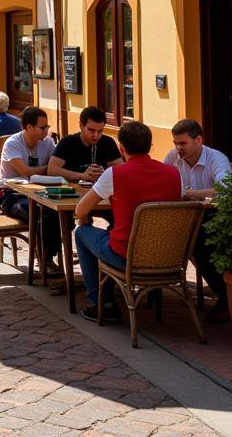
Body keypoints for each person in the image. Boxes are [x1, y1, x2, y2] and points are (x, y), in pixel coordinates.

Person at [74, 120, 181, 323]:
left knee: (81, 233)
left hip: (126, 256)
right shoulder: (174, 173)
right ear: (150, 146)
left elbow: (80, 210)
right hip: (169, 255)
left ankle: (101, 303)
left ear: (121, 148)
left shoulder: (114, 174)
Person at [164, 118, 232, 323]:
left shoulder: (216, 159)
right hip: (183, 216)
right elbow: (160, 177)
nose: (178, 148)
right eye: (175, 143)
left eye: (182, 143)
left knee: (200, 245)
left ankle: (226, 300)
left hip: (214, 218)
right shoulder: (173, 156)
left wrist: (188, 194)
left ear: (199, 140)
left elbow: (224, 190)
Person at [0, 106, 62, 269]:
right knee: (39, 214)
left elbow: (56, 165)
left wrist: (51, 169)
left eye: (47, 126)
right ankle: (45, 258)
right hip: (12, 195)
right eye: (43, 127)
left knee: (59, 213)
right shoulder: (12, 143)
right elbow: (25, 171)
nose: (46, 130)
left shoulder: (47, 142)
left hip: (40, 191)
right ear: (29, 127)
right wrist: (47, 169)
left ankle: (49, 254)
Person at [47, 106, 123, 183]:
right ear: (81, 125)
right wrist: (81, 176)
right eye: (91, 130)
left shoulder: (108, 142)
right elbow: (52, 170)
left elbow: (121, 170)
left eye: (100, 131)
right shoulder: (67, 142)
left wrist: (104, 174)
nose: (95, 135)